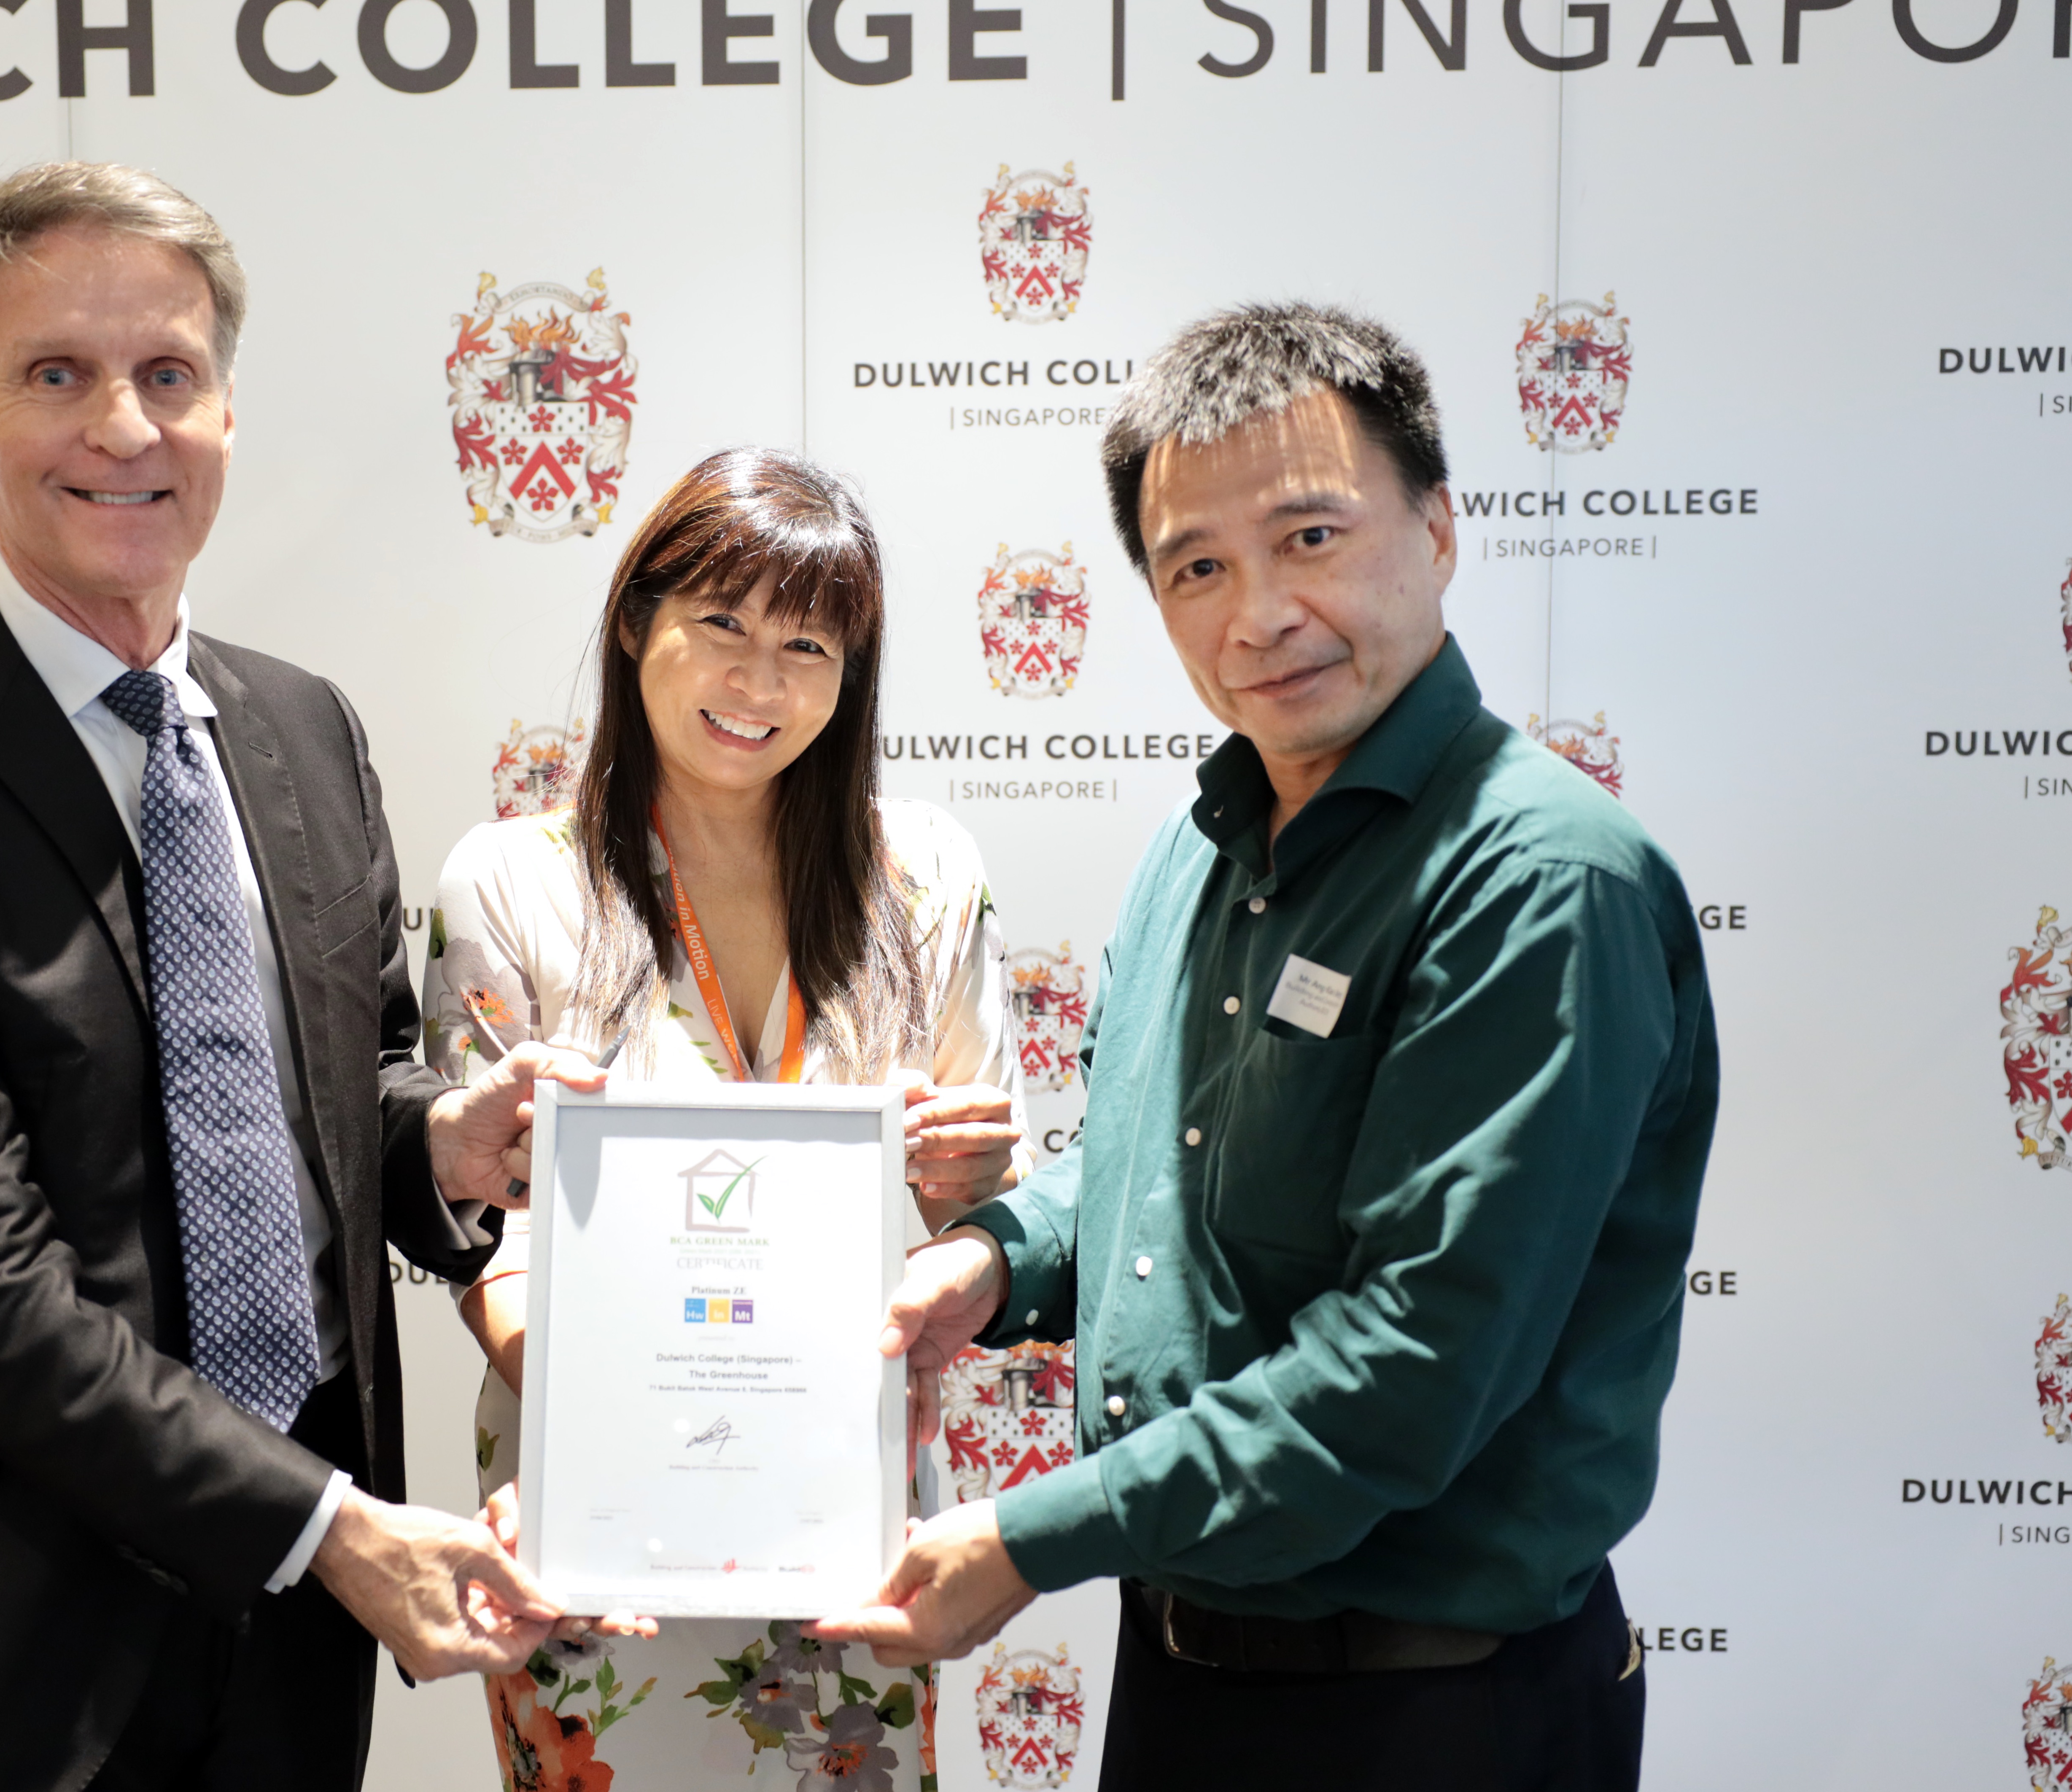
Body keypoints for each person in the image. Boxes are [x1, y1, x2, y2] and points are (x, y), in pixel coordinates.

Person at [0, 162, 585, 1792]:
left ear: (227, 410)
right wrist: (321, 1526)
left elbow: (335, 1084)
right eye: (56, 374)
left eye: (169, 374)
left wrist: (437, 1142)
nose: (122, 425)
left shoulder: (305, 727)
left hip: (290, 1660)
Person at [817, 303, 1718, 1791]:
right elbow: (1142, 1180)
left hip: (1434, 1715)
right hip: (1187, 1676)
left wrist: (1029, 1537)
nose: (1259, 612)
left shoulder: (1540, 880)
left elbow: (1408, 1367)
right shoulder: (1200, 844)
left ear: (1439, 526)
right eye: (1198, 567)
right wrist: (984, 1260)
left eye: (1310, 536)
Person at [422, 448, 1034, 1792]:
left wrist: (976, 1191)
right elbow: (484, 1233)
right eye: (722, 626)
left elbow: (991, 1207)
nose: (760, 686)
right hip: (594, 1511)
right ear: (638, 619)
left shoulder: (922, 874)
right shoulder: (514, 881)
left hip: (851, 1511)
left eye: (808, 646)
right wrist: (627, 1424)